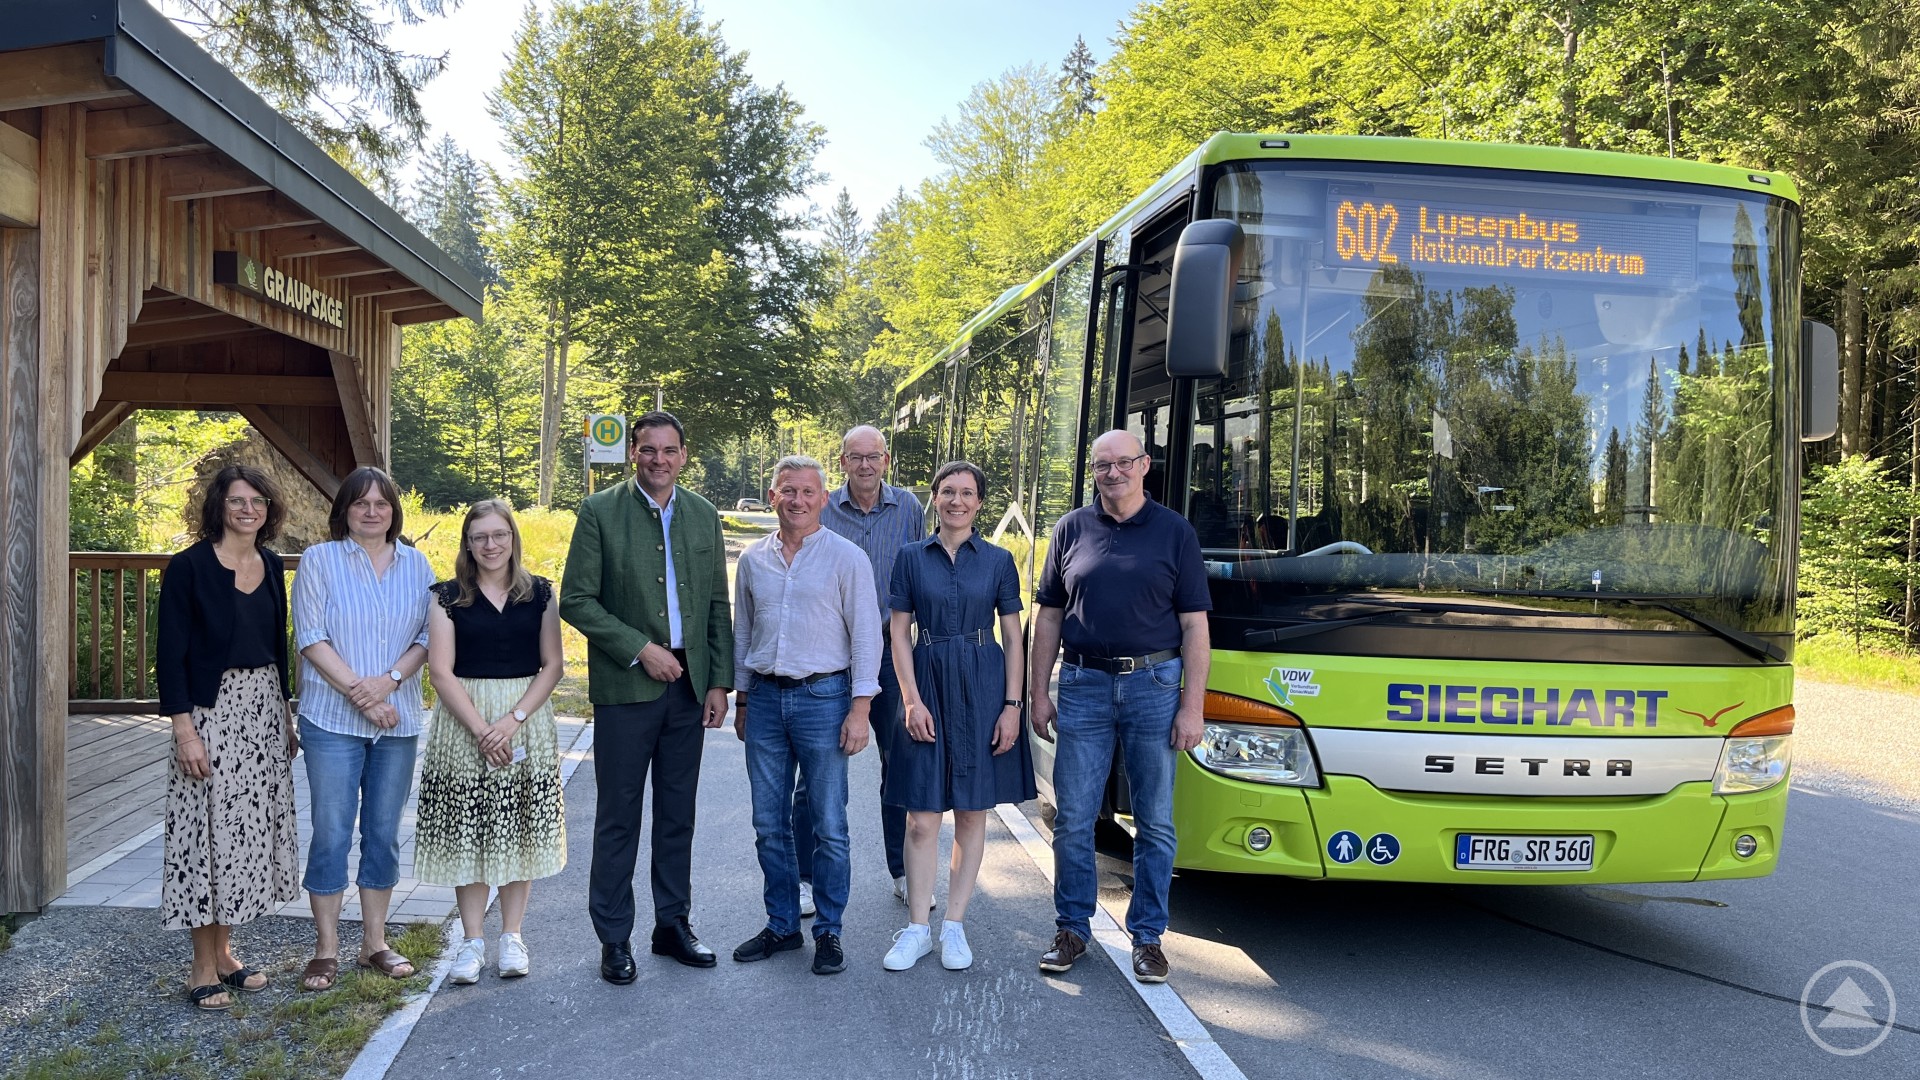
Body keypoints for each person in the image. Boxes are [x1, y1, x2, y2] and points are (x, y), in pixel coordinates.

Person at [1027, 430, 1212, 985]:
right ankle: (1072, 930)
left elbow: (1195, 626)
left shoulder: (1176, 532)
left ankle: (1149, 937)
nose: (1113, 473)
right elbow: (1050, 618)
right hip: (1082, 684)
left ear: (1144, 466)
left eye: (1123, 463)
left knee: (1154, 821)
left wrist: (1192, 706)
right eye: (1102, 465)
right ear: (1094, 471)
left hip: (1155, 685)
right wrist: (1039, 692)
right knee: (1074, 818)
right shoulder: (1071, 528)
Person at [561, 411, 732, 983]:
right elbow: (578, 600)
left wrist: (716, 682)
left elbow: (715, 606)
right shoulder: (600, 511)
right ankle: (614, 938)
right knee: (618, 816)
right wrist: (640, 648)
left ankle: (672, 925)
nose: (659, 459)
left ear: (684, 455)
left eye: (670, 450)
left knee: (677, 813)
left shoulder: (705, 515)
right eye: (648, 449)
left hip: (689, 688)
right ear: (634, 453)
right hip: (627, 686)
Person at [157, 466, 301, 1010]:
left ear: (268, 509)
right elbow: (169, 655)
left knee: (241, 838)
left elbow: (276, 645)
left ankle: (226, 955)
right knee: (206, 837)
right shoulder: (189, 567)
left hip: (262, 710)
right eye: (236, 500)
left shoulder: (269, 563)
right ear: (218, 506)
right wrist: (184, 730)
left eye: (257, 501)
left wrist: (285, 715)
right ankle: (200, 966)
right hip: (208, 714)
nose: (247, 509)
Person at [881, 461, 1034, 972]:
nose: (957, 501)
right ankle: (918, 928)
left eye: (967, 493)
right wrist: (909, 698)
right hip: (926, 680)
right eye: (948, 491)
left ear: (979, 502)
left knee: (972, 812)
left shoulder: (997, 560)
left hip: (983, 685)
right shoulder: (909, 558)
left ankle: (954, 926)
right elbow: (898, 633)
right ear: (935, 498)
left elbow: (1013, 638)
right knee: (922, 818)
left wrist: (1013, 706)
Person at [731, 455, 878, 976]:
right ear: (773, 496)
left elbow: (866, 636)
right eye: (787, 491)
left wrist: (860, 709)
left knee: (829, 825)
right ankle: (782, 925)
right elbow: (743, 633)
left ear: (822, 498)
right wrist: (742, 700)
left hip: (825, 700)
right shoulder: (753, 560)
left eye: (807, 492)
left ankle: (830, 932)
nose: (797, 500)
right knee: (769, 824)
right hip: (767, 702)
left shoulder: (847, 558)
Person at [291, 466, 436, 992]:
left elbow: (428, 634)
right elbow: (310, 636)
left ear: (394, 511)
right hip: (331, 719)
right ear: (345, 511)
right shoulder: (320, 560)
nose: (372, 511)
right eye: (360, 503)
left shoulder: (417, 565)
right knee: (331, 831)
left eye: (381, 503)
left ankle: (374, 942)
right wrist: (363, 693)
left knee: (382, 832)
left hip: (397, 721)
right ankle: (325, 949)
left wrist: (391, 681)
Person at [419, 499, 567, 984]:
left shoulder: (541, 593)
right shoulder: (446, 596)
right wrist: (484, 729)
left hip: (524, 719)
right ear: (467, 542)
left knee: (518, 826)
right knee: (471, 828)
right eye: (479, 536)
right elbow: (440, 671)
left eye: (498, 535)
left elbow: (553, 666)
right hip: (465, 722)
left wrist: (513, 720)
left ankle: (513, 937)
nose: (490, 545)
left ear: (512, 538)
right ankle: (471, 941)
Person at [796, 424, 924, 915]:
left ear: (886, 460)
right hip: (830, 660)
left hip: (892, 658)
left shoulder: (909, 508)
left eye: (873, 457)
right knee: (818, 772)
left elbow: (918, 574)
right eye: (856, 457)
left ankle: (903, 872)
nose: (865, 465)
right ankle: (807, 879)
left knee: (900, 767)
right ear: (843, 461)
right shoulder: (821, 507)